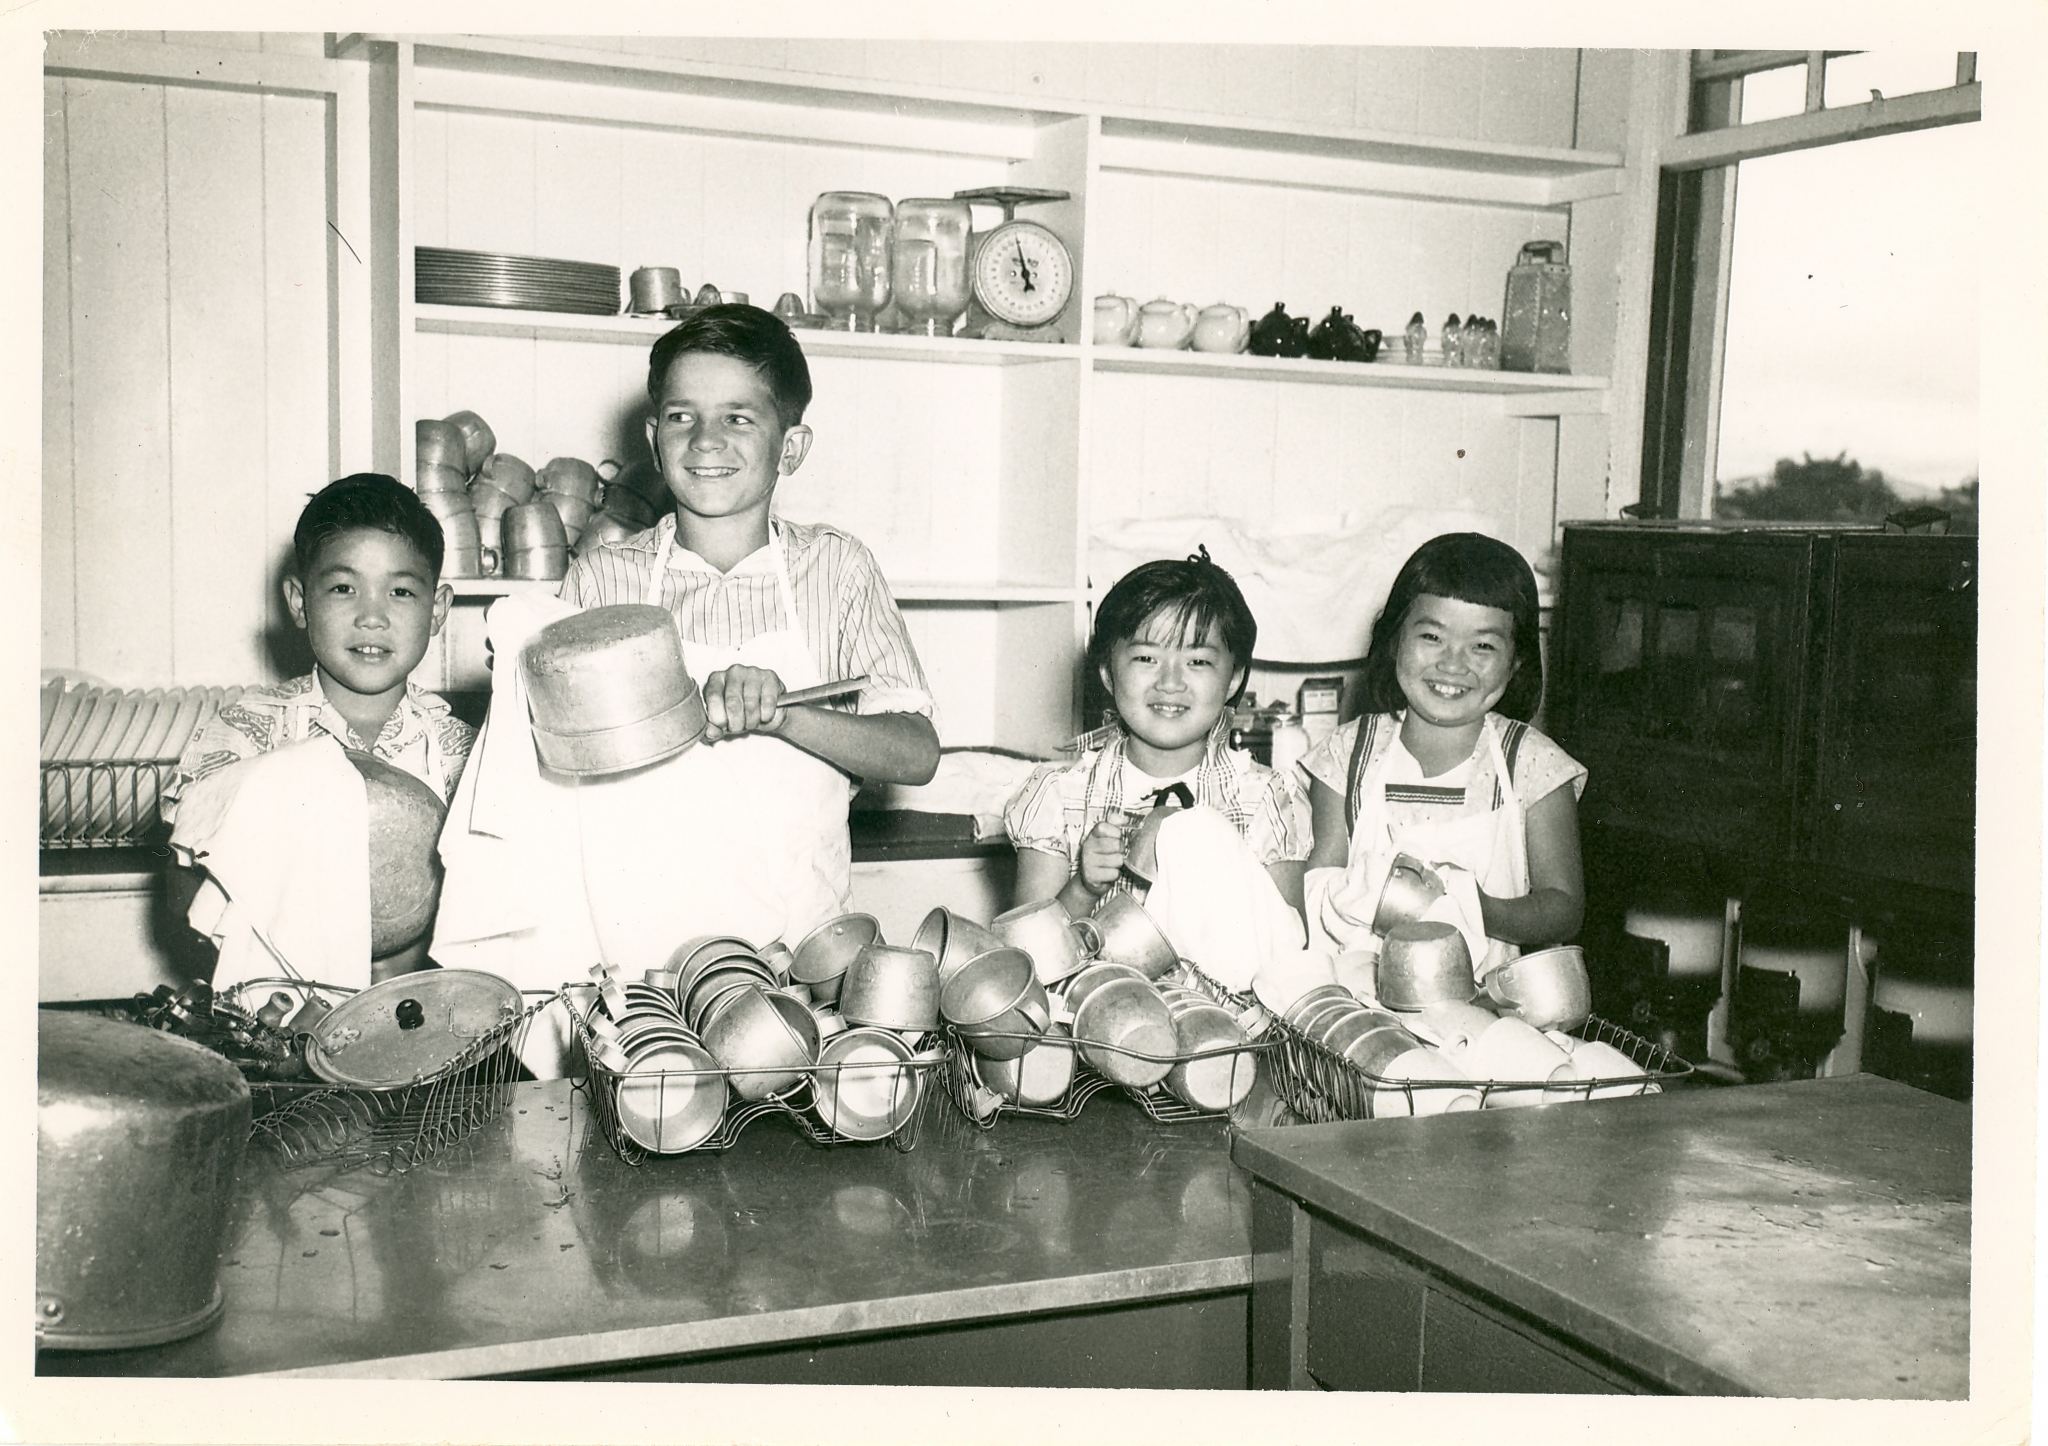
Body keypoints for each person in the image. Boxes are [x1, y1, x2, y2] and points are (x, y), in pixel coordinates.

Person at [554, 304, 939, 967]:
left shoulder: (837, 569)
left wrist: (783, 714)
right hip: (642, 957)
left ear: (791, 447)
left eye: (738, 417)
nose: (706, 440)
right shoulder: (601, 580)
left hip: (803, 953)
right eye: (682, 416)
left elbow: (917, 753)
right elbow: (555, 778)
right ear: (653, 437)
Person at [1301, 532, 1584, 976]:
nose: (1453, 663)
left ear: (1516, 662)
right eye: (1432, 636)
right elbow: (1315, 890)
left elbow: (1564, 908)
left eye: (1483, 645)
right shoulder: (1346, 755)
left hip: (1486, 1003)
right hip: (1358, 997)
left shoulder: (1533, 764)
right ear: (1395, 640)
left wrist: (1475, 908)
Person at [1005, 549, 1311, 926]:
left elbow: (1290, 943)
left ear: (1233, 679)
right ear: (1107, 672)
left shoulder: (1266, 799)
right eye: (1146, 658)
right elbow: (1027, 947)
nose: (1170, 682)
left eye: (1197, 661)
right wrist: (1083, 888)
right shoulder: (1058, 796)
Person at [167, 473, 475, 813]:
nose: (372, 617)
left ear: (436, 610)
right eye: (344, 589)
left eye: (400, 592)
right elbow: (190, 842)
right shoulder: (245, 733)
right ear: (300, 602)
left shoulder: (465, 753)